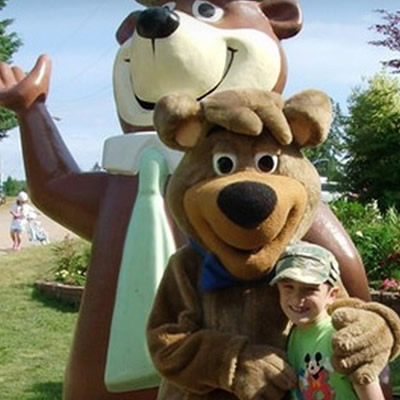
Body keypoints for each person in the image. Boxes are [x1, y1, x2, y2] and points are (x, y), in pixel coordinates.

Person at [270, 241, 385, 400]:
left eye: (310, 289)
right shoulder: (292, 337)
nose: (297, 298)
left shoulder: (343, 338)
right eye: (288, 287)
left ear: (332, 295)